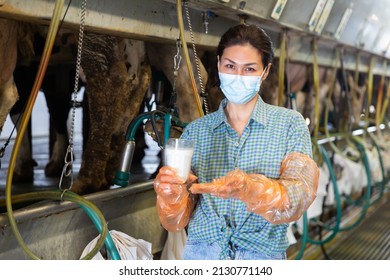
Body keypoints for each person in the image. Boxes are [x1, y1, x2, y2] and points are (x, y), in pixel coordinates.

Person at [153, 24, 319, 260]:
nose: (238, 76)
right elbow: (176, 221)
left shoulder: (289, 124)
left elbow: (299, 196)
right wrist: (171, 196)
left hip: (261, 258)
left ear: (265, 71)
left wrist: (250, 189)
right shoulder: (196, 131)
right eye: (230, 66)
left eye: (249, 69)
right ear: (219, 64)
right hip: (201, 256)